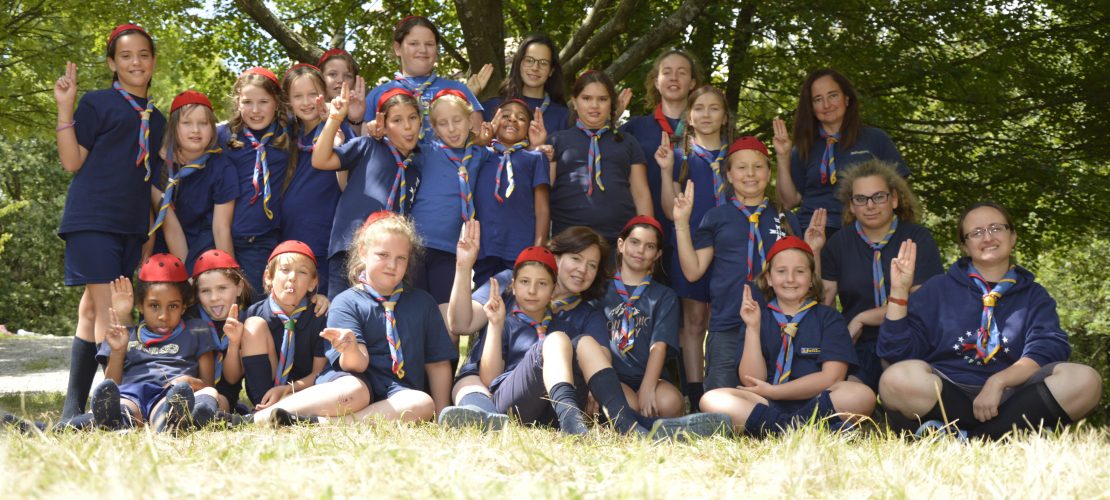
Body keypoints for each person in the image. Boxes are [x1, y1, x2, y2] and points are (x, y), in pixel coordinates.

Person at [877, 203, 1102, 439]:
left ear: (1012, 237)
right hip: (949, 391)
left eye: (996, 228)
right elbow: (896, 353)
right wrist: (899, 291)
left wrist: (998, 381)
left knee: (1085, 380)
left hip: (1015, 395)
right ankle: (1007, 432)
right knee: (895, 378)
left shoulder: (1034, 296)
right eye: (976, 233)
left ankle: (966, 437)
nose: (987, 238)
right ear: (964, 246)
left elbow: (1048, 349)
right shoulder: (936, 289)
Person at [54, 23, 168, 419]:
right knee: (111, 311)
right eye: (126, 56)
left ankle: (72, 412)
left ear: (153, 61)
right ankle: (115, 408)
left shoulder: (157, 119)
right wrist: (65, 107)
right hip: (93, 218)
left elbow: (147, 181)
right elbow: (72, 161)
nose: (136, 62)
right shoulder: (97, 103)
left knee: (91, 310)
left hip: (131, 226)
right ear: (111, 63)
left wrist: (149, 233)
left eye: (143, 55)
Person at [252, 211, 457, 425]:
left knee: (422, 402)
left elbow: (437, 364)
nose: (392, 265)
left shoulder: (423, 303)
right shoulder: (346, 302)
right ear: (363, 252)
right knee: (355, 391)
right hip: (352, 383)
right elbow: (356, 365)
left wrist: (441, 413)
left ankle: (321, 424)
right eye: (383, 255)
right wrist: (350, 349)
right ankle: (258, 418)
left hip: (398, 395)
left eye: (401, 258)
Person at [671, 136, 826, 392]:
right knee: (722, 398)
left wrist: (814, 250)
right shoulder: (716, 217)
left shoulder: (785, 219)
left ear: (768, 172)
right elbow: (693, 271)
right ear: (729, 175)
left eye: (758, 166)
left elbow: (807, 281)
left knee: (775, 393)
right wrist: (681, 224)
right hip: (728, 322)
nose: (750, 174)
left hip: (780, 323)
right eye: (742, 167)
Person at [700, 237, 875, 436]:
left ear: (811, 278)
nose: (790, 279)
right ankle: (807, 428)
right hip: (766, 403)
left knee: (861, 395)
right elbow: (752, 381)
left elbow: (832, 377)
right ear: (769, 278)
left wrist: (774, 391)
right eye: (781, 271)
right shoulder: (759, 317)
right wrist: (752, 328)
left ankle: (777, 429)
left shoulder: (829, 317)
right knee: (712, 399)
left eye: (799, 271)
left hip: (818, 400)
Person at [820, 160, 943, 391]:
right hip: (859, 343)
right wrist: (814, 251)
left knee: (904, 389)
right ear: (851, 206)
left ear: (894, 199)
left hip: (909, 337)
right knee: (848, 397)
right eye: (861, 199)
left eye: (878, 197)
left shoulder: (917, 238)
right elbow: (824, 301)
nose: (870, 205)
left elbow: (922, 303)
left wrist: (863, 317)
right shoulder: (838, 243)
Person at [656, 84, 730, 409]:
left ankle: (725, 384)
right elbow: (667, 207)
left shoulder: (736, 158)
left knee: (726, 316)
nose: (706, 115)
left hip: (730, 246)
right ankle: (695, 393)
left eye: (714, 108)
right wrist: (664, 173)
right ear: (689, 116)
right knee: (694, 319)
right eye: (699, 108)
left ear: (725, 116)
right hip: (691, 243)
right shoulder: (679, 158)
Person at [312, 84, 421, 299]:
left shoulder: (416, 170)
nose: (408, 126)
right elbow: (320, 160)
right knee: (344, 312)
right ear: (383, 125)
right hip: (349, 249)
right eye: (397, 120)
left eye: (413, 118)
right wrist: (335, 119)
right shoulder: (368, 146)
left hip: (389, 259)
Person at [91, 253, 220, 433]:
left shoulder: (197, 330)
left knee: (206, 395)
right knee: (122, 404)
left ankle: (168, 420)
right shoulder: (124, 334)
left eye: (173, 306)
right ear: (140, 306)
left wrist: (189, 381)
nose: (163, 316)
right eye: (154, 306)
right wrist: (118, 351)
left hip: (172, 394)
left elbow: (208, 383)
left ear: (184, 306)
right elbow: (112, 385)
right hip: (131, 395)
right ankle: (115, 421)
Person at [773, 68, 908, 235]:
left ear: (847, 98)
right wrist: (783, 156)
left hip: (863, 231)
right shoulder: (804, 147)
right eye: (818, 99)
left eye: (833, 95)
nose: (826, 105)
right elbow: (788, 202)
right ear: (811, 107)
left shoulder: (875, 139)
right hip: (812, 231)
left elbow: (900, 193)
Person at [408, 89, 494, 313]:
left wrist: (537, 148)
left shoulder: (480, 154)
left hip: (450, 250)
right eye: (443, 124)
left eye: (457, 120)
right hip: (415, 244)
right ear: (434, 129)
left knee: (446, 313)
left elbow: (507, 154)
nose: (452, 129)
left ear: (470, 120)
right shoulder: (426, 153)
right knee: (415, 309)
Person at [548, 70, 652, 245]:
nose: (594, 105)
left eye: (602, 99)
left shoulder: (628, 142)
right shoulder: (556, 141)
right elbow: (543, 194)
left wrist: (647, 238)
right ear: (574, 102)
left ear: (612, 103)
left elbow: (641, 194)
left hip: (619, 241)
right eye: (586, 98)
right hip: (568, 242)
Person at [595, 215, 683, 417]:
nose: (640, 250)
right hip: (613, 377)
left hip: (651, 376)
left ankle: (657, 426)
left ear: (658, 254)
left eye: (649, 246)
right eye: (634, 242)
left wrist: (648, 387)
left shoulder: (664, 296)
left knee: (670, 402)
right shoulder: (600, 291)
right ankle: (641, 424)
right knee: (628, 406)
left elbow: (659, 346)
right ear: (621, 244)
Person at [219, 66, 293, 295]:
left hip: (265, 237)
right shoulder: (225, 136)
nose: (255, 110)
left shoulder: (287, 132)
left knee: (259, 301)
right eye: (247, 102)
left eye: (263, 102)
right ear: (237, 103)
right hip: (227, 235)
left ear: (277, 103)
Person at [231, 240, 328, 410]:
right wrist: (233, 342)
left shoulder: (319, 316)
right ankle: (265, 407)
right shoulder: (254, 313)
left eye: (302, 272)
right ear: (268, 277)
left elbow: (319, 373)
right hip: (263, 395)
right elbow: (234, 376)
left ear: (312, 283)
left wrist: (288, 390)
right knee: (253, 325)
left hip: (304, 393)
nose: (292, 277)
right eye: (285, 270)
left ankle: (282, 408)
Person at [150, 90, 237, 274]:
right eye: (187, 123)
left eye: (203, 123)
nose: (196, 130)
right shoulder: (161, 168)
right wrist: (187, 277)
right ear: (174, 127)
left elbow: (221, 229)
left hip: (207, 246)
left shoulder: (222, 167)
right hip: (170, 252)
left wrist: (229, 274)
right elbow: (172, 230)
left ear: (212, 128)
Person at [280, 64, 349, 297]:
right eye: (298, 96)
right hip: (292, 238)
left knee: (324, 305)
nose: (306, 102)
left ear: (325, 94)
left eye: (313, 94)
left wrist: (338, 148)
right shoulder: (289, 134)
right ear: (288, 101)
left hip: (324, 240)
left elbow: (346, 183)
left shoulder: (336, 127)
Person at [363, 15, 483, 141]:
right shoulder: (378, 94)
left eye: (429, 44)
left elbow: (479, 140)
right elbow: (364, 145)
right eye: (413, 43)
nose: (423, 50)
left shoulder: (458, 90)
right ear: (398, 48)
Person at [472, 99, 551, 285]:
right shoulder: (482, 154)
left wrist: (538, 249)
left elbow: (542, 209)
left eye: (521, 118)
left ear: (529, 128)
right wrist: (481, 140)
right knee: (485, 297)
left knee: (515, 297)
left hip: (520, 248)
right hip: (485, 247)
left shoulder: (535, 158)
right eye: (505, 116)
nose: (513, 119)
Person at [188, 249, 254, 411]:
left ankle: (204, 411)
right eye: (205, 291)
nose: (214, 297)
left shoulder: (248, 321)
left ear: (239, 287)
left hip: (224, 399)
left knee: (215, 405)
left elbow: (232, 379)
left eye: (222, 288)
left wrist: (234, 343)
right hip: (191, 390)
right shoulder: (190, 320)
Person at [479, 33, 571, 133]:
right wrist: (469, 94)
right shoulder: (493, 107)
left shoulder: (563, 116)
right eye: (529, 60)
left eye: (543, 63)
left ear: (551, 71)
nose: (535, 68)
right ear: (519, 64)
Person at [317, 48, 366, 133]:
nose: (340, 80)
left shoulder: (365, 113)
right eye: (332, 74)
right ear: (320, 78)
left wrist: (356, 120)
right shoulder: (306, 109)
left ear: (354, 83)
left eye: (348, 76)